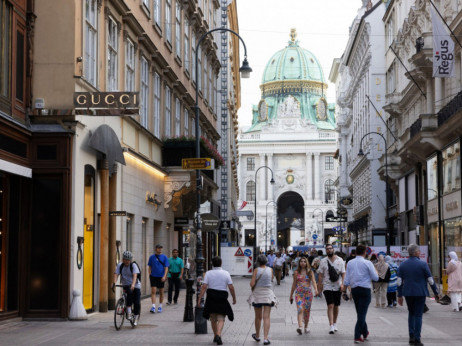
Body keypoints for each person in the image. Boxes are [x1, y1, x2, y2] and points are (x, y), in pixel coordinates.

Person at [397, 244, 440, 346]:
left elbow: (399, 281)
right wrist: (436, 292)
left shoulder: (402, 265)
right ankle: (417, 338)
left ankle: (411, 336)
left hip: (408, 292)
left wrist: (399, 295)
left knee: (411, 313)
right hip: (420, 293)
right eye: (418, 251)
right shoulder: (423, 264)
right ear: (416, 252)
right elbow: (430, 280)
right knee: (418, 315)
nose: (419, 253)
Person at [343, 244, 379, 344]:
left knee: (360, 313)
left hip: (354, 290)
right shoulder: (368, 263)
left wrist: (344, 291)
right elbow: (375, 278)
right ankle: (357, 336)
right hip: (365, 290)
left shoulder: (350, 262)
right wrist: (375, 272)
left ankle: (365, 332)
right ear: (365, 252)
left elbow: (346, 279)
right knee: (362, 314)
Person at [198, 256, 236, 346]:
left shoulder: (208, 273)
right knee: (221, 318)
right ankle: (218, 335)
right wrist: (234, 297)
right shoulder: (226, 273)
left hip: (211, 297)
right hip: (222, 297)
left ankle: (216, 335)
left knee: (213, 318)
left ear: (212, 263)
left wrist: (199, 298)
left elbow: (204, 287)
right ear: (221, 263)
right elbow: (231, 287)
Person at [248, 254, 277, 345]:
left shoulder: (256, 270)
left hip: (257, 295)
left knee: (258, 317)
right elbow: (272, 279)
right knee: (266, 317)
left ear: (258, 262)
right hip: (268, 295)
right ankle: (265, 338)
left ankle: (257, 336)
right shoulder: (270, 269)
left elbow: (252, 284)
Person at [317, 244, 346, 334]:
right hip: (327, 285)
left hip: (337, 285)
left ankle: (334, 322)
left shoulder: (340, 260)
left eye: (330, 248)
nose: (329, 250)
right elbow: (320, 275)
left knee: (336, 305)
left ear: (333, 249)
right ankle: (331, 326)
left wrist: (343, 285)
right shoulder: (323, 261)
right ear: (326, 251)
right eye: (327, 249)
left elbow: (343, 273)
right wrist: (319, 288)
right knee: (330, 305)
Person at [289, 257, 317, 335]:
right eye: (301, 261)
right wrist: (291, 295)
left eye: (304, 261)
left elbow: (314, 281)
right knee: (300, 309)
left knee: (307, 311)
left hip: (308, 294)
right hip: (299, 294)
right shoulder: (296, 272)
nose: (303, 263)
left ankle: (306, 327)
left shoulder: (310, 272)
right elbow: (294, 284)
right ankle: (300, 327)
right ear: (299, 263)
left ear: (307, 263)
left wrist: (316, 290)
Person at [112, 251, 141, 326]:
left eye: (128, 260)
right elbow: (116, 274)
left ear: (130, 260)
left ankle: (136, 317)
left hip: (135, 285)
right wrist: (114, 283)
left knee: (136, 302)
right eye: (125, 259)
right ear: (123, 259)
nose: (126, 261)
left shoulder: (133, 265)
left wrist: (133, 285)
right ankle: (128, 311)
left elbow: (135, 276)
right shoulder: (120, 265)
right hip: (125, 285)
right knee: (129, 294)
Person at [148, 244, 169, 313]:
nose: (160, 249)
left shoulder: (164, 257)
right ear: (156, 249)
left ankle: (160, 306)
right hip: (153, 276)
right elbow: (149, 266)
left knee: (161, 292)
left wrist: (164, 276)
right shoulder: (152, 257)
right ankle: (153, 306)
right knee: (153, 291)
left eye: (161, 248)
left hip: (161, 276)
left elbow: (166, 267)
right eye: (158, 248)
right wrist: (149, 274)